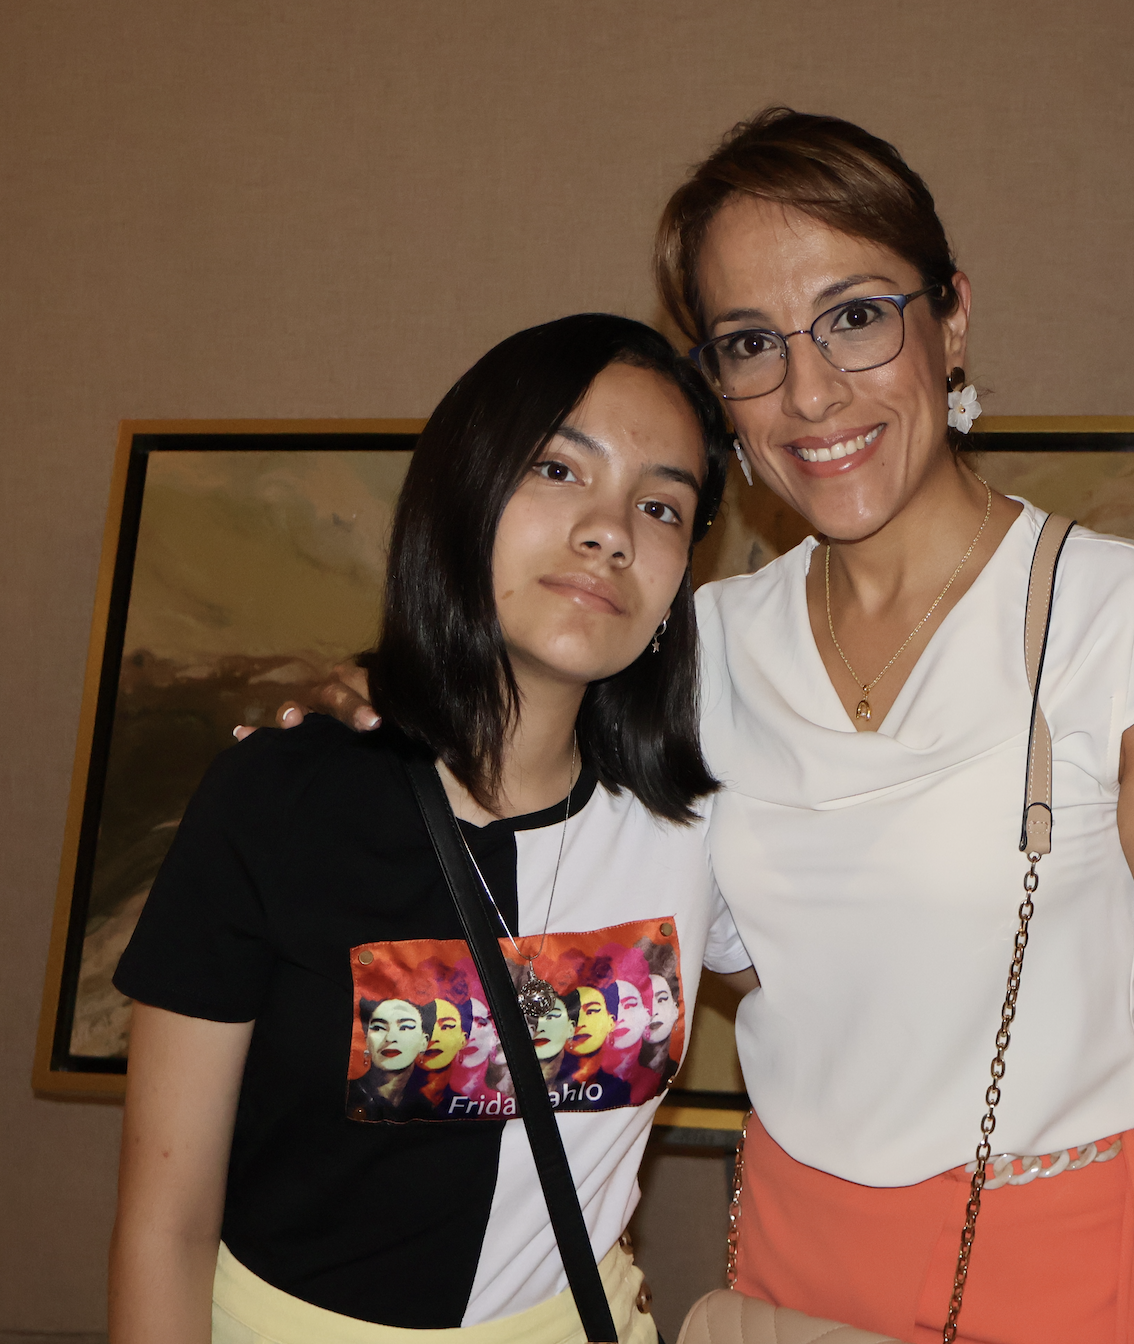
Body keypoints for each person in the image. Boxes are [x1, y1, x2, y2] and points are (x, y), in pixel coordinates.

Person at [295, 110, 1134, 1344]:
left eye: (856, 316)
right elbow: (533, 799)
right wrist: (348, 697)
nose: (810, 391)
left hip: (1065, 1259)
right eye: (750, 344)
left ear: (951, 319)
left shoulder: (1130, 621)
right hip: (785, 1254)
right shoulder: (690, 646)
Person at [107, 312, 745, 1344]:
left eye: (660, 506)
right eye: (557, 470)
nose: (611, 530)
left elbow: (848, 1018)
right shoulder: (279, 800)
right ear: (464, 493)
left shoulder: (694, 825)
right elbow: (164, 1227)